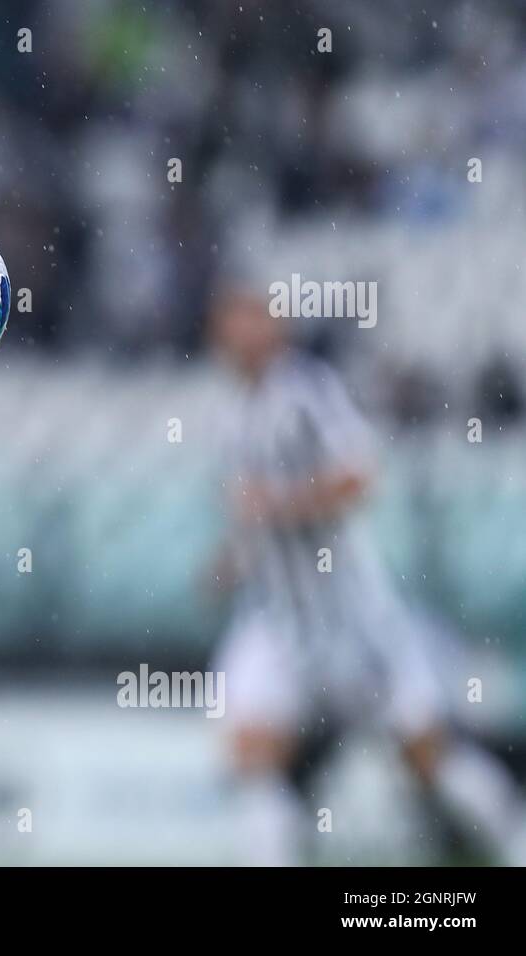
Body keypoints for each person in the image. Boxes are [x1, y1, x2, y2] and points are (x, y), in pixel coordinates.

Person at [207, 287, 524, 865]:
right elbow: (258, 518)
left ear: (274, 327)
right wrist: (236, 557)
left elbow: (359, 476)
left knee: (430, 758)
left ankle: (512, 843)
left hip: (352, 619)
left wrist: (276, 504)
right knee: (251, 758)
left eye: (250, 318)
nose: (239, 333)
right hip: (279, 623)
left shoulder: (305, 391)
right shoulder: (233, 413)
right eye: (230, 321)